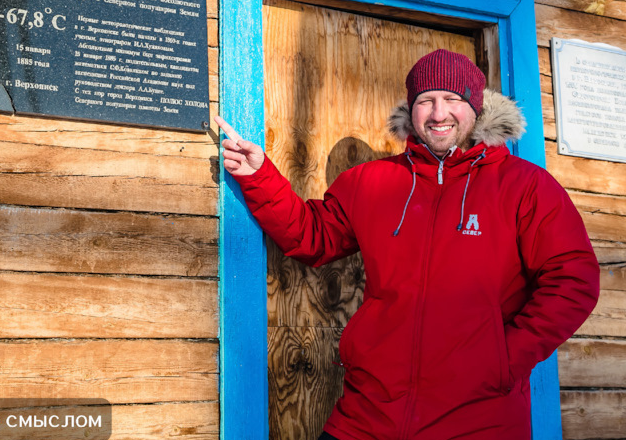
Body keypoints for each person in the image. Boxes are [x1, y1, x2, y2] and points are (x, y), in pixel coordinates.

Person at [215, 49, 600, 440]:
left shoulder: (524, 186)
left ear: (476, 107)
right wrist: (259, 177)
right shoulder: (372, 181)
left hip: (478, 419)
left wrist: (505, 358)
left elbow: (573, 281)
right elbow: (311, 236)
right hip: (368, 415)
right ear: (410, 111)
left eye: (452, 99)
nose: (438, 113)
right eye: (425, 101)